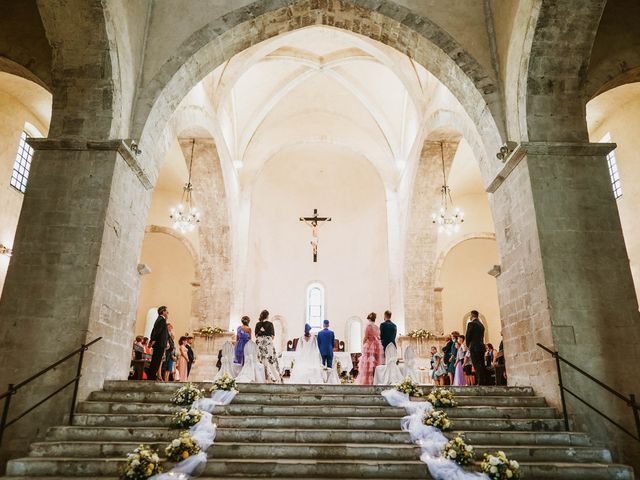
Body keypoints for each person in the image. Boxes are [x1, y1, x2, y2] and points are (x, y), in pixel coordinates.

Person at [254, 310, 282, 383]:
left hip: (259, 344)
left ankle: (260, 377)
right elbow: (272, 336)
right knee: (270, 359)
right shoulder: (270, 324)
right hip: (268, 344)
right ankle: (272, 377)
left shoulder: (257, 324)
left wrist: (261, 333)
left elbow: (256, 336)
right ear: (267, 316)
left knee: (260, 359)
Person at [357, 312, 384, 385]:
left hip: (369, 346)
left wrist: (363, 344)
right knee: (375, 363)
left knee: (368, 363)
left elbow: (366, 337)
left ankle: (367, 381)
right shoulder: (376, 327)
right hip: (377, 346)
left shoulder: (368, 326)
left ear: (369, 319)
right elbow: (379, 336)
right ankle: (375, 380)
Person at [465, 310, 489, 385]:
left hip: (474, 347)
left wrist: (468, 345)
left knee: (476, 364)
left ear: (471, 316)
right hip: (481, 347)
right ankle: (484, 381)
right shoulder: (481, 325)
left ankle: (480, 382)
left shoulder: (471, 324)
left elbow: (468, 336)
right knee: (482, 364)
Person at [148, 306, 169, 381]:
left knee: (156, 360)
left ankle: (152, 376)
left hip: (159, 343)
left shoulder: (161, 319)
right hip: (159, 344)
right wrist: (153, 340)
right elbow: (157, 331)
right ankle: (151, 377)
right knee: (156, 361)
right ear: (163, 312)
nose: (168, 313)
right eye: (166, 311)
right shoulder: (161, 320)